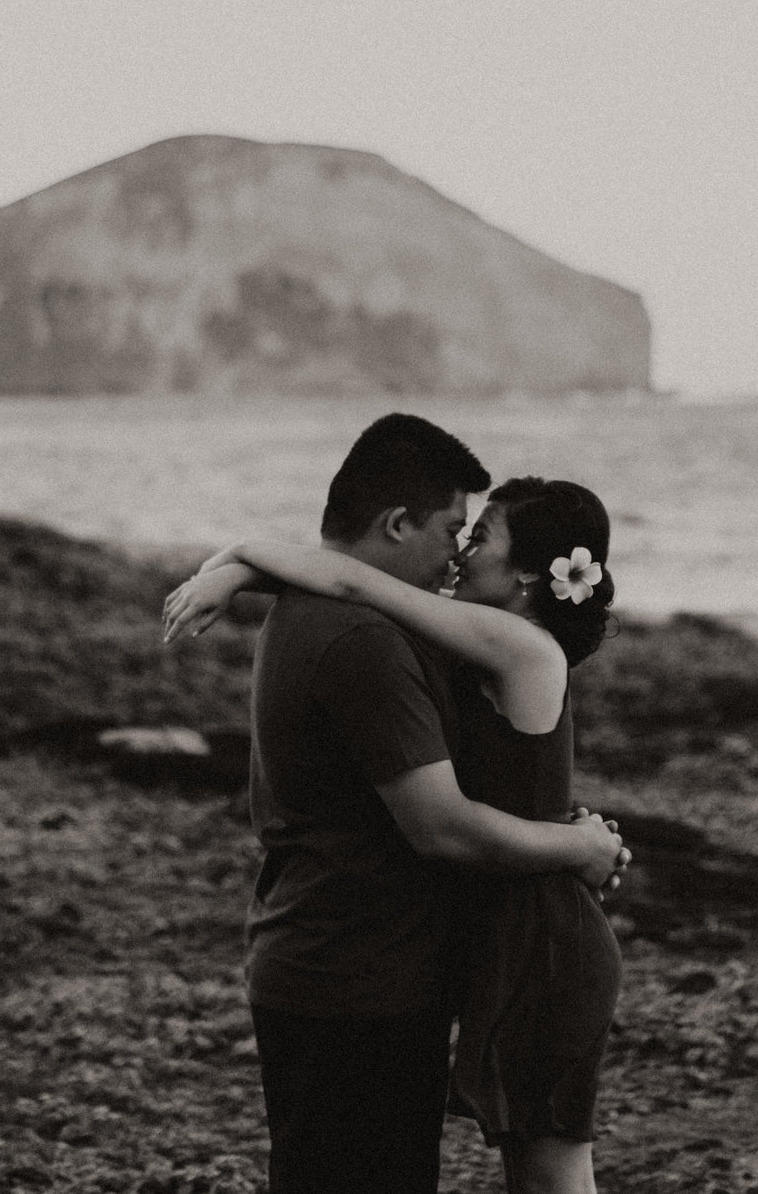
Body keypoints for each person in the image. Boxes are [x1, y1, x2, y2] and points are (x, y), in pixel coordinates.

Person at [173, 414, 627, 1194]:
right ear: (395, 523)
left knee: (550, 1178)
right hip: (452, 948)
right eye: (458, 530)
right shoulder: (406, 639)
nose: (460, 551)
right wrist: (579, 844)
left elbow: (356, 580)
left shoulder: (514, 646)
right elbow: (353, 585)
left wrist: (241, 560)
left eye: (477, 536)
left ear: (528, 574)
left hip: (537, 940)